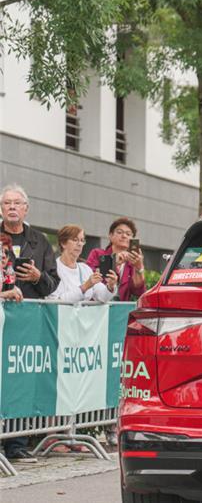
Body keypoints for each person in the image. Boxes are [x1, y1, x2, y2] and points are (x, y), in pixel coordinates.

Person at [0, 184, 60, 463]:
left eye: (17, 203)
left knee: (21, 381)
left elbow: (53, 283)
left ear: (26, 208)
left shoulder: (40, 241)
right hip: (2, 319)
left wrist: (37, 277)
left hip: (27, 324)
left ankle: (17, 444)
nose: (12, 207)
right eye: (7, 203)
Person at [47, 225, 118, 302]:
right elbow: (55, 301)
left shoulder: (85, 268)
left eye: (82, 240)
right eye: (75, 240)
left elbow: (102, 297)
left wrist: (110, 286)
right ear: (63, 243)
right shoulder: (53, 268)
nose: (80, 244)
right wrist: (85, 286)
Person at [87, 217, 146, 302]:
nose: (124, 236)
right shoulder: (97, 254)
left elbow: (138, 292)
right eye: (119, 232)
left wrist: (139, 268)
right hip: (98, 306)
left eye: (128, 234)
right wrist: (114, 262)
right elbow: (88, 278)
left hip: (120, 308)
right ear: (110, 236)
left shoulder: (131, 263)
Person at [1, 233, 23, 302]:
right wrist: (7, 294)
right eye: (0, 251)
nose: (3, 256)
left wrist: (13, 290)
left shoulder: (5, 273)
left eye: (6, 253)